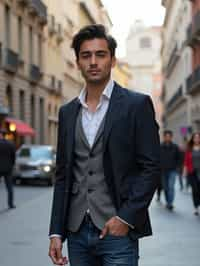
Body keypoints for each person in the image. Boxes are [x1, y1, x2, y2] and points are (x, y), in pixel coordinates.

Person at [48, 24, 160, 266]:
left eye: (100, 54)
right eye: (86, 55)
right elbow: (63, 176)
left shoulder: (136, 105)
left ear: (112, 60)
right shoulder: (67, 112)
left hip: (117, 230)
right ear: (77, 62)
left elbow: (151, 167)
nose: (93, 62)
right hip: (76, 232)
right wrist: (56, 232)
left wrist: (126, 218)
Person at [160, 130, 181, 210]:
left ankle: (170, 203)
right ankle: (168, 201)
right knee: (165, 187)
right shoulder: (160, 147)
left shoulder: (175, 147)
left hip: (172, 170)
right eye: (166, 136)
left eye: (169, 136)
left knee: (171, 186)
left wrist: (177, 167)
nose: (168, 138)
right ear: (164, 137)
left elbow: (179, 158)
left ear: (171, 137)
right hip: (163, 171)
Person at [183, 132, 200, 215]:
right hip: (192, 172)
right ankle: (196, 207)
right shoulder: (189, 148)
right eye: (195, 138)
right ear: (193, 139)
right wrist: (185, 171)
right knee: (195, 190)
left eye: (198, 137)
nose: (197, 139)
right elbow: (186, 161)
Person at [0, 129, 16, 209]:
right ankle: (10, 204)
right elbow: (13, 157)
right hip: (8, 168)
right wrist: (11, 165)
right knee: (9, 187)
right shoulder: (11, 144)